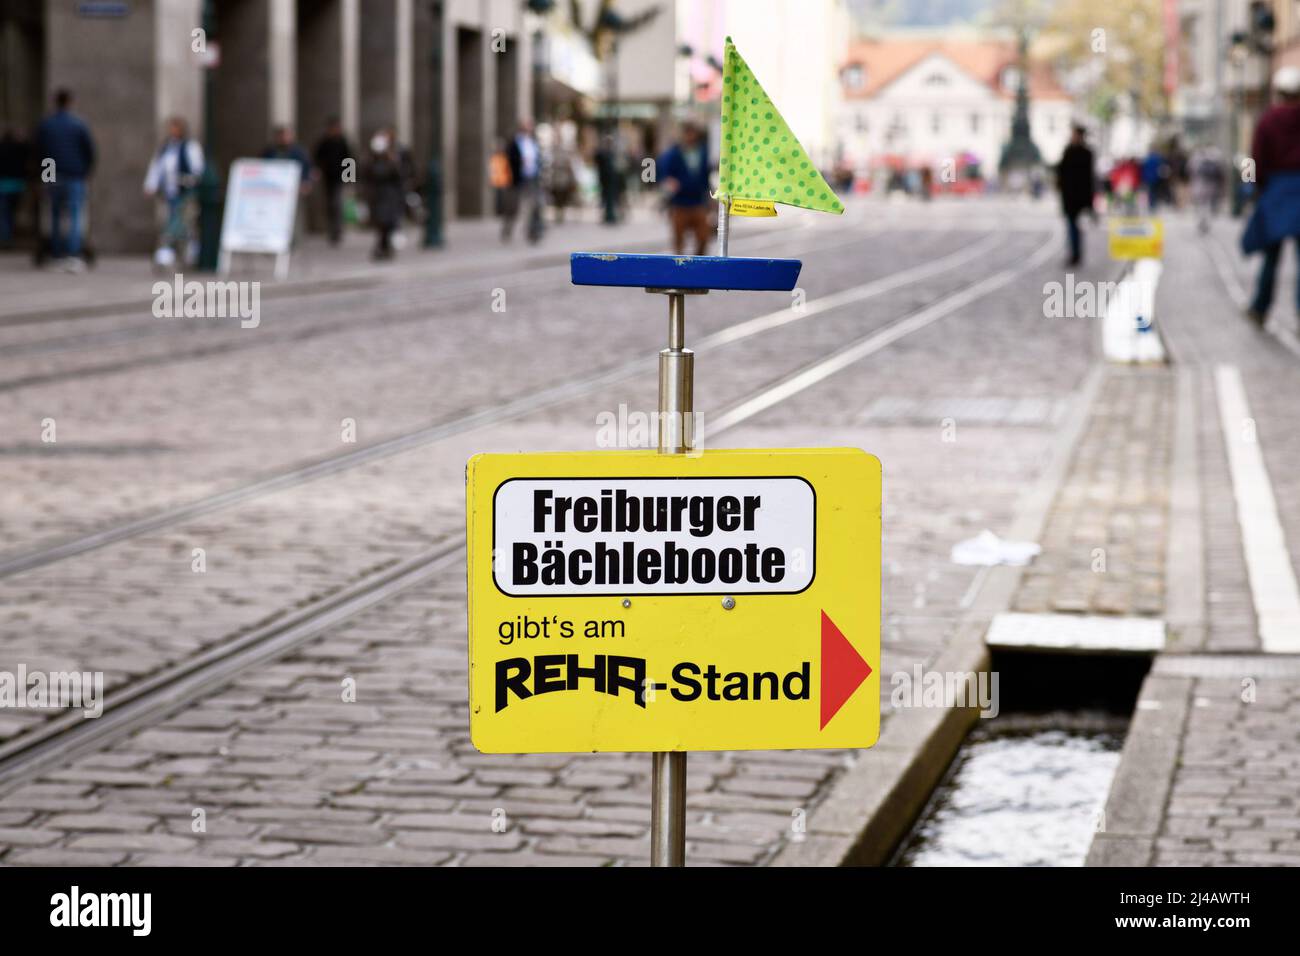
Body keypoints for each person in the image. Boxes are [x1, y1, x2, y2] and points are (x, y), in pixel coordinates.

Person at [1242, 67, 1300, 326]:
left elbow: (1255, 158)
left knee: (1271, 256)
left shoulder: (1267, 120)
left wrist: (1254, 187)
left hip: (1276, 191)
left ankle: (1260, 307)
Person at [34, 88, 95, 269]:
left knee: (53, 215)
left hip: (52, 173)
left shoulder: (46, 124)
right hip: (74, 174)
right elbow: (89, 152)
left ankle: (56, 252)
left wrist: (46, 176)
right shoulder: (78, 125)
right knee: (75, 215)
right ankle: (73, 253)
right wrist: (84, 172)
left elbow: (41, 152)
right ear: (70, 102)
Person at [142, 117, 205, 268]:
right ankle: (174, 253)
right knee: (173, 221)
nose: (173, 131)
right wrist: (150, 185)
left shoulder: (190, 146)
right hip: (169, 192)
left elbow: (197, 168)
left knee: (181, 222)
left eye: (175, 128)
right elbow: (156, 168)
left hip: (185, 191)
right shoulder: (165, 148)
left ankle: (177, 252)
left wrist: (189, 180)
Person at [657, 122, 712, 256]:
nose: (689, 136)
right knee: (678, 239)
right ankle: (680, 264)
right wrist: (666, 181)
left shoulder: (704, 152)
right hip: (679, 203)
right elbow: (661, 170)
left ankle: (699, 261)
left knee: (704, 237)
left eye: (692, 133)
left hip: (698, 202)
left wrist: (710, 197)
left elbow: (707, 174)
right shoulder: (673, 153)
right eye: (687, 133)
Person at [363, 128, 410, 260]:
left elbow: (402, 174)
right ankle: (382, 247)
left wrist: (393, 162)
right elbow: (364, 174)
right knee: (381, 223)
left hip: (391, 195)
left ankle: (385, 247)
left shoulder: (397, 155)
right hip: (378, 195)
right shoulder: (371, 160)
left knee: (389, 223)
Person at [1055, 124, 1095, 267]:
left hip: (1080, 197)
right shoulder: (1068, 151)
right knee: (1071, 226)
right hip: (1069, 197)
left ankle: (1076, 254)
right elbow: (1061, 173)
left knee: (1077, 226)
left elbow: (1089, 178)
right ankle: (1074, 254)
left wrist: (1090, 202)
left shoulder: (1086, 153)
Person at [263, 125, 313, 242]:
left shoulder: (298, 152)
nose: (283, 138)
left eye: (285, 135)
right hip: (274, 189)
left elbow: (307, 168)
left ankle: (294, 240)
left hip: (293, 187)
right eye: (280, 136)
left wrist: (306, 182)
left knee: (295, 214)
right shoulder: (270, 152)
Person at [312, 117, 352, 245]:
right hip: (327, 177)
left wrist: (349, 177)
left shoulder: (342, 141)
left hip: (339, 178)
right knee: (329, 204)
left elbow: (349, 159)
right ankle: (331, 229)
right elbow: (317, 157)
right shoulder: (325, 142)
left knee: (337, 203)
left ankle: (338, 230)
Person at [502, 120, 543, 242]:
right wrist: (520, 162)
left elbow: (538, 159)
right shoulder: (514, 142)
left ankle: (532, 232)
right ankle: (507, 230)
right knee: (513, 207)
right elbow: (509, 159)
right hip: (517, 179)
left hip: (531, 178)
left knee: (533, 205)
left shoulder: (533, 142)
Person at [0, 128, 29, 247]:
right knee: (12, 212)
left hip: (3, 185)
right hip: (18, 184)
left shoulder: (1, 148)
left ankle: (5, 237)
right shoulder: (20, 148)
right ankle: (9, 235)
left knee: (4, 213)